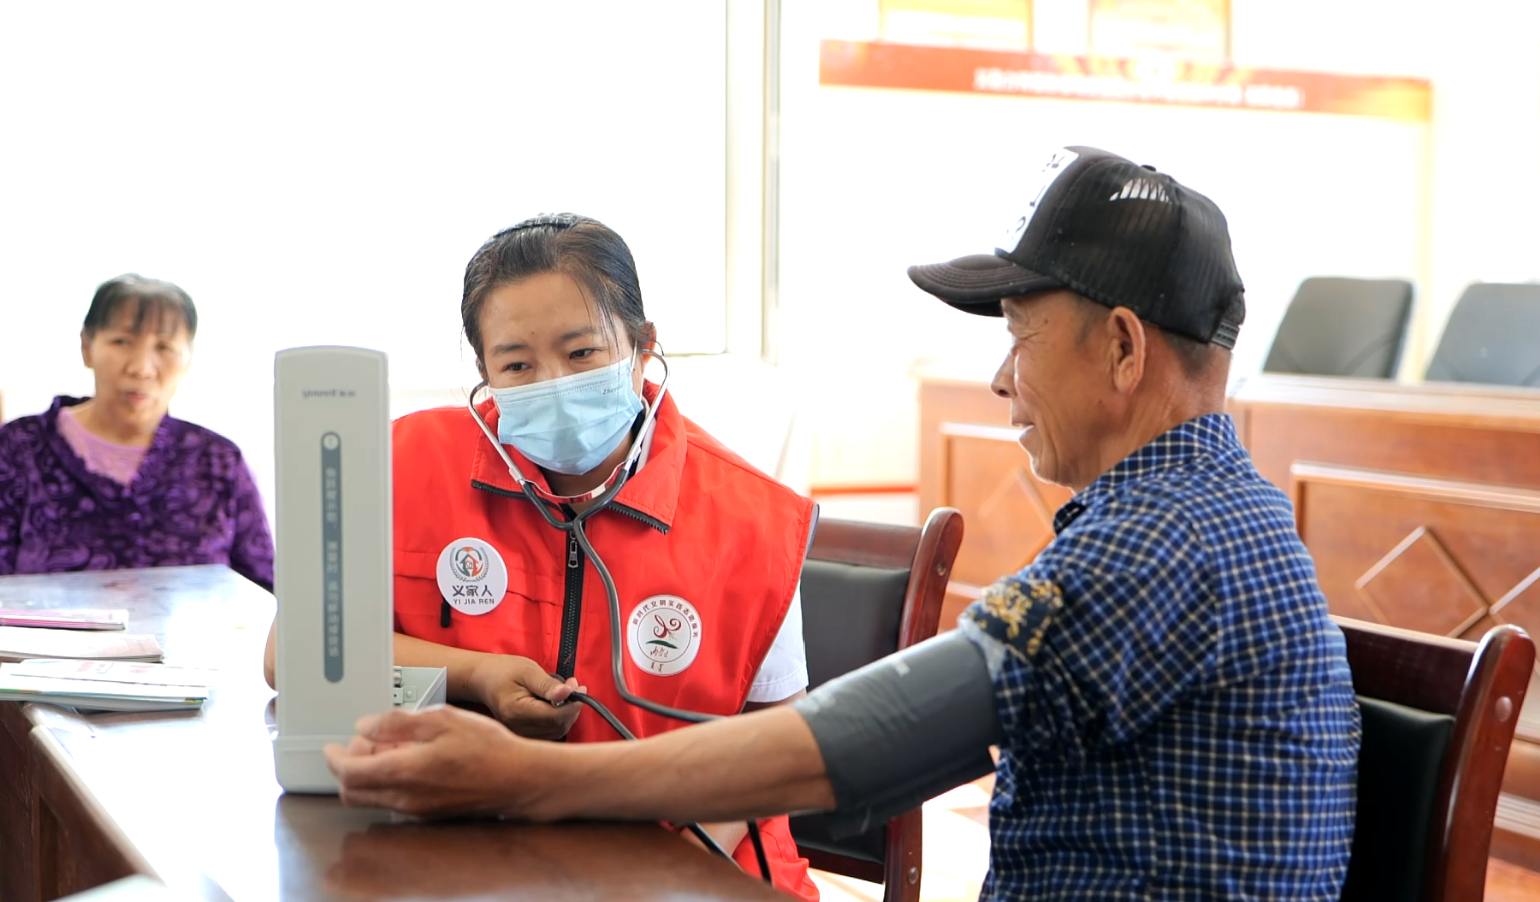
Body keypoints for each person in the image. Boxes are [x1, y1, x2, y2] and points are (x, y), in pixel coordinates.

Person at [324, 148, 1365, 901]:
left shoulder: (1162, 543)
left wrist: (528, 778)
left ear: (1125, 349)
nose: (1002, 379)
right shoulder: (1199, 512)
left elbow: (865, 740)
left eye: (1020, 337)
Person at [264, 214, 820, 899]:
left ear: (643, 347)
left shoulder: (755, 517)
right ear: (484, 372)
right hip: (459, 859)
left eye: (582, 353)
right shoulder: (399, 464)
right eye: (518, 364)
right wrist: (477, 674)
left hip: (694, 870)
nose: (552, 382)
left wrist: (667, 875)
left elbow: (780, 736)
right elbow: (292, 652)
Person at [0, 274, 274, 590]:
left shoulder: (218, 462)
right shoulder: (18, 449)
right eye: (122, 342)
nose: (141, 368)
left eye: (164, 346)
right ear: (87, 347)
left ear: (188, 359)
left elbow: (264, 590)